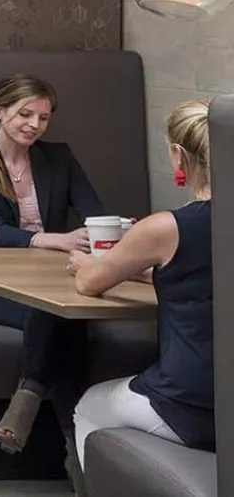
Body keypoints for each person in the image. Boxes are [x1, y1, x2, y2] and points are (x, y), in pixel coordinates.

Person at [0, 73, 103, 452]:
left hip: (47, 280)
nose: (34, 125)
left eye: (44, 118)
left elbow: (94, 212)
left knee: (64, 311)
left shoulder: (58, 157)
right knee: (59, 314)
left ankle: (30, 401)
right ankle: (76, 446)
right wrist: (53, 239)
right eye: (25, 114)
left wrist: (104, 235)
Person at [70, 98, 214, 465]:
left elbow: (89, 283)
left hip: (188, 404)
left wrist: (84, 260)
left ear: (179, 155)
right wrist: (149, 271)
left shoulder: (166, 227)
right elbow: (207, 277)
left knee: (88, 406)